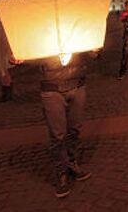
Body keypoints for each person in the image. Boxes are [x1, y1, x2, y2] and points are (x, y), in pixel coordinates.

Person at [38, 50, 99, 198]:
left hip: (77, 84)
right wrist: (19, 58)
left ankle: (72, 161)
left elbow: (93, 53)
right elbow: (28, 52)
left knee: (74, 130)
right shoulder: (38, 29)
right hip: (51, 88)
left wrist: (95, 50)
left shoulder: (79, 27)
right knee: (57, 135)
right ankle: (61, 171)